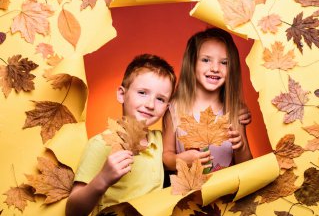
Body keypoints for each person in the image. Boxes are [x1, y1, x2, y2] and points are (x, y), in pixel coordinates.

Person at [66, 54, 177, 216]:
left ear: (167, 107)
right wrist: (103, 179)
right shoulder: (101, 144)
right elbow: (72, 211)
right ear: (121, 94)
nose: (150, 104)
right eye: (142, 93)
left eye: (160, 99)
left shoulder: (162, 143)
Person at [162, 28, 252, 173]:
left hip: (226, 192)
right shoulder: (174, 109)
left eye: (224, 63)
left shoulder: (235, 111)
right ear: (192, 63)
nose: (215, 68)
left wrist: (241, 147)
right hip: (190, 191)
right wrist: (182, 160)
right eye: (206, 60)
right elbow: (166, 157)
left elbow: (247, 167)